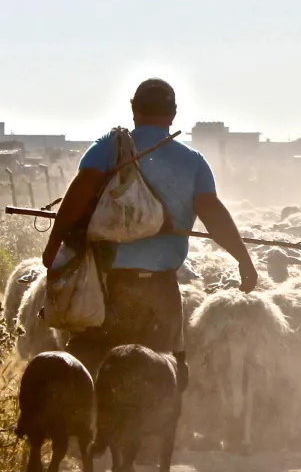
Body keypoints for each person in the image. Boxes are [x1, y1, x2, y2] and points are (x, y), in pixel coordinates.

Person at [41, 78, 258, 382]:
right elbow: (212, 213)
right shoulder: (192, 161)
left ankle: (87, 424)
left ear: (134, 110)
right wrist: (243, 260)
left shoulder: (109, 148)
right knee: (165, 375)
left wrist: (52, 246)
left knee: (92, 371)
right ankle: (157, 423)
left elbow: (79, 192)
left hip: (106, 288)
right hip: (159, 291)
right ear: (173, 114)